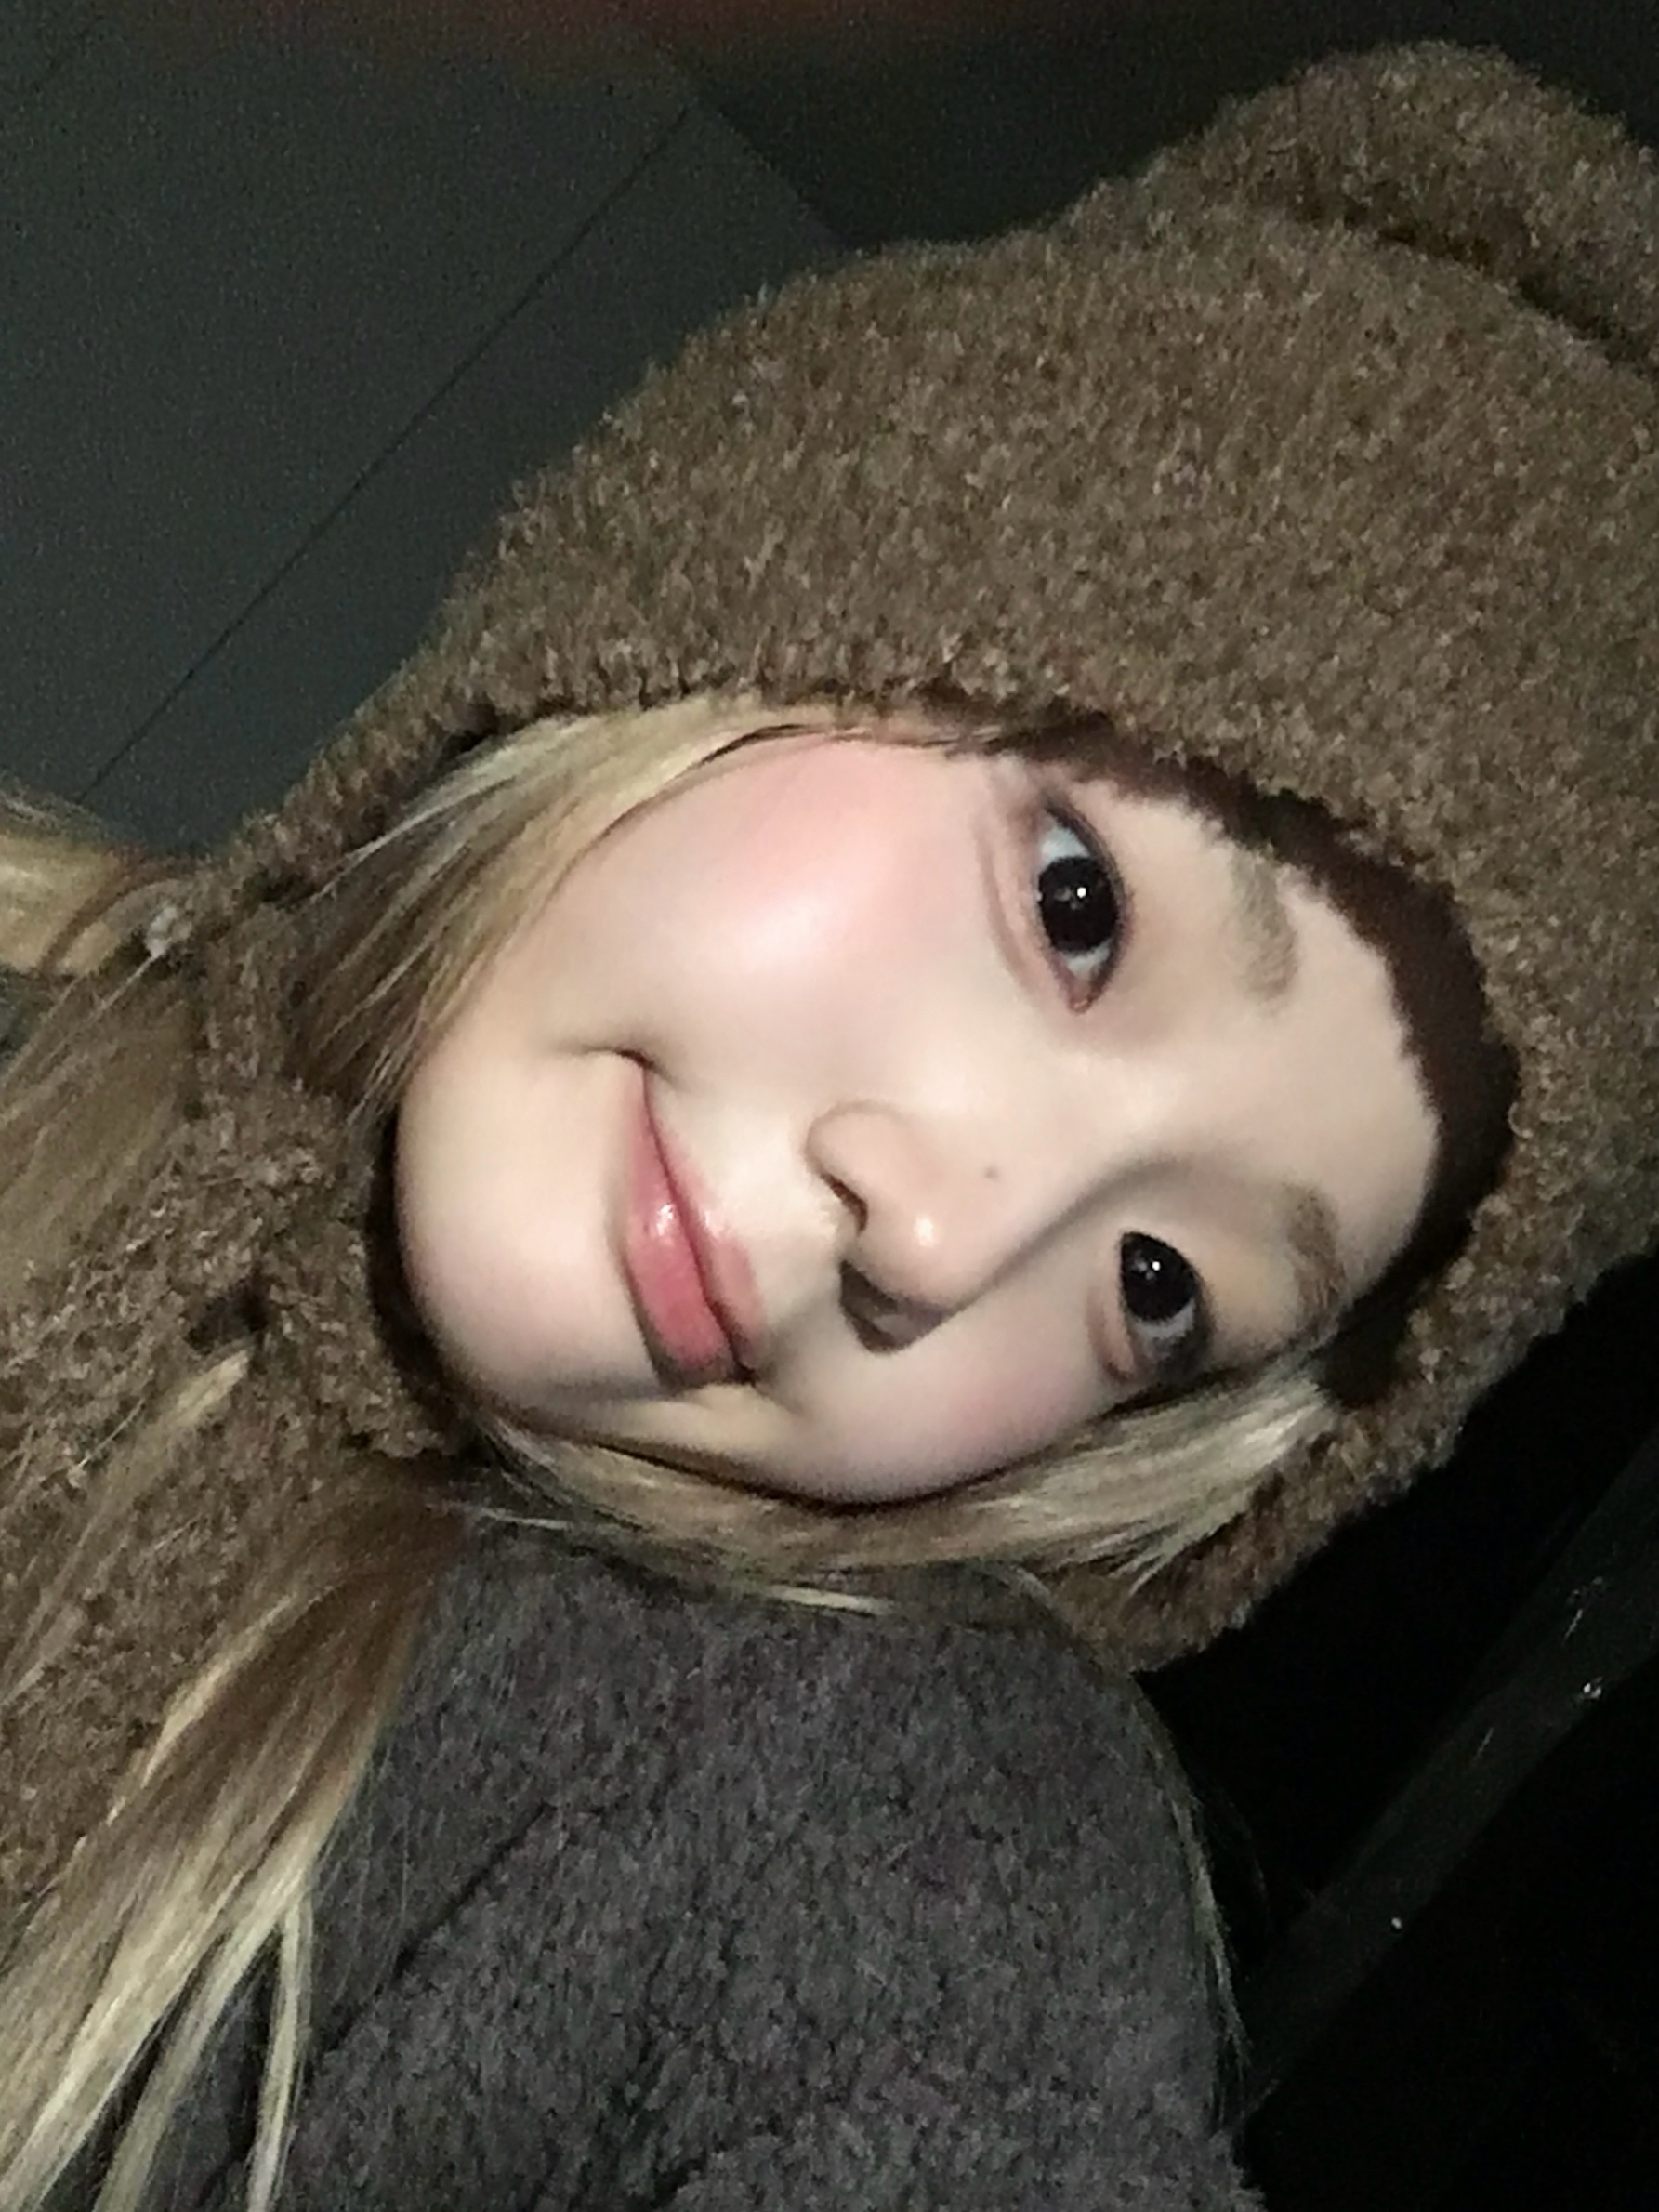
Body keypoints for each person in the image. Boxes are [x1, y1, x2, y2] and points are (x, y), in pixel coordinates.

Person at [1, 34, 1654, 2209]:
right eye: (1075, 908)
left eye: (1159, 1285)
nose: (943, 1237)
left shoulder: (828, 1805)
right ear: (788, 563)